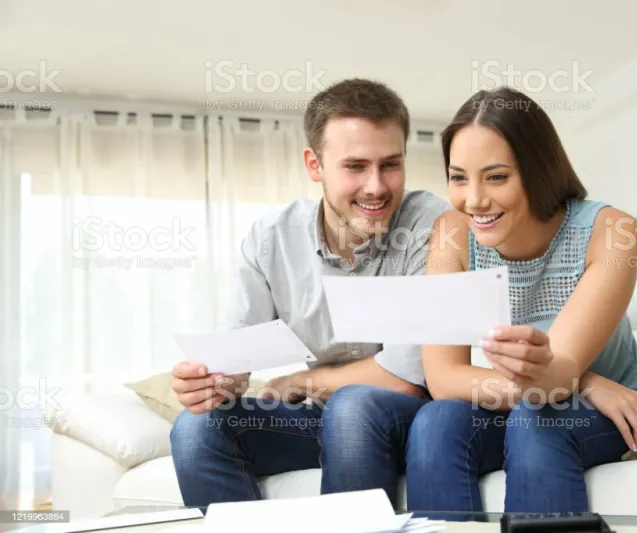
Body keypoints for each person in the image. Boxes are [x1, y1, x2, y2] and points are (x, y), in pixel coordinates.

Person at [169, 78, 448, 508]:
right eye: (355, 167)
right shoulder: (271, 238)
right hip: (325, 420)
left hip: (414, 423)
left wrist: (304, 380)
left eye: (390, 164)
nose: (376, 186)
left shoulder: (433, 225)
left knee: (354, 407)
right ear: (314, 165)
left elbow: (407, 379)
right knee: (196, 428)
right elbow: (235, 357)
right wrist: (213, 382)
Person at [404, 87, 637, 516]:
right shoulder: (451, 234)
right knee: (436, 422)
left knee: (537, 421)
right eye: (459, 177)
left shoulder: (612, 231)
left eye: (496, 177)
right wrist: (589, 383)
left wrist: (575, 381)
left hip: (622, 409)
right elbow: (443, 377)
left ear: (537, 171)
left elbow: (558, 372)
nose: (473, 200)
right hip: (544, 401)